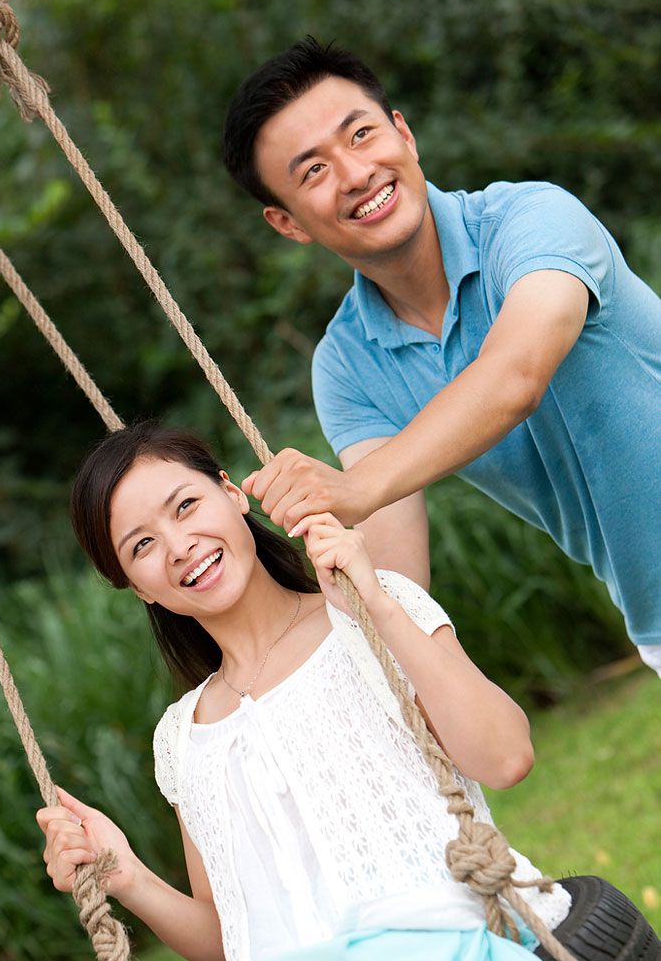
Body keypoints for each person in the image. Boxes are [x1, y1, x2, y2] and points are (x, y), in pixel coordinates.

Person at [37, 421, 647, 961]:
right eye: (143, 545)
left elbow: (506, 756)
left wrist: (370, 591)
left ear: (232, 491)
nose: (179, 546)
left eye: (186, 505)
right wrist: (125, 877)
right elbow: (234, 941)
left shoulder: (366, 612)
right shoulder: (184, 738)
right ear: (136, 585)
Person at [221, 38, 661, 675]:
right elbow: (399, 577)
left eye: (362, 134)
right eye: (312, 171)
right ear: (288, 223)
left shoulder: (532, 219)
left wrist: (354, 488)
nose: (354, 174)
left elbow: (517, 374)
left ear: (404, 133)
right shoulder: (347, 367)